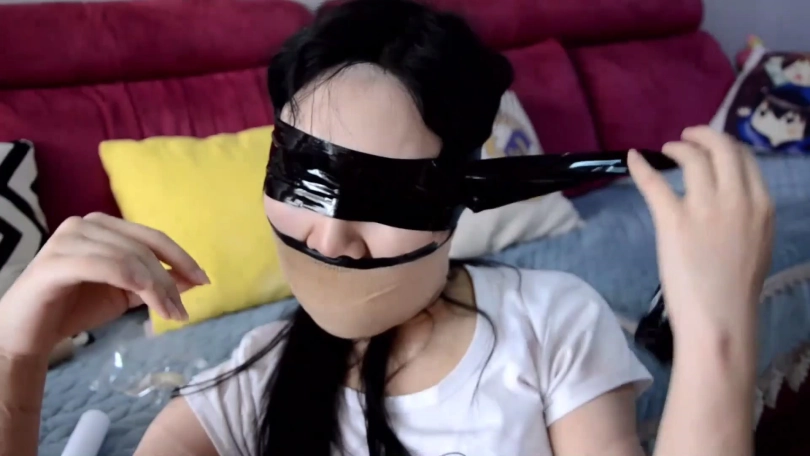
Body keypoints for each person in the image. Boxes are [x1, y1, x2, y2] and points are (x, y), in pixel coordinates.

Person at [0, 1, 772, 455]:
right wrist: (13, 356)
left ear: (459, 193)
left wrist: (716, 336)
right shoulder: (253, 377)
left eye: (389, 197)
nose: (332, 239)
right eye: (304, 178)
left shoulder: (550, 324)